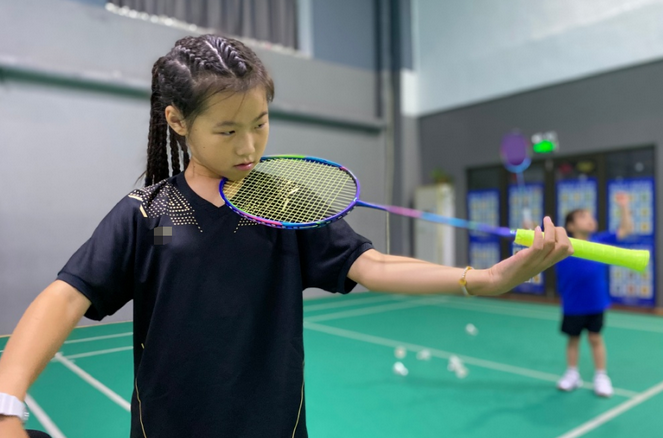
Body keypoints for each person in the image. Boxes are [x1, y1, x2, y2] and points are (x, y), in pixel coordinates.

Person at [0, 34, 573, 438]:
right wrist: (7, 406)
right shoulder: (147, 213)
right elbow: (66, 295)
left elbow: (372, 264)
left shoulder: (284, 201)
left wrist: (484, 279)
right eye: (227, 130)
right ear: (177, 121)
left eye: (260, 124)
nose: (249, 147)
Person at [555, 193, 633, 397]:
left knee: (595, 338)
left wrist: (624, 206)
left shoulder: (600, 241)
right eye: (582, 216)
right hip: (572, 304)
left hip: (596, 303)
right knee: (573, 340)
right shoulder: (563, 247)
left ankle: (601, 376)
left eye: (591, 216)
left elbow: (625, 230)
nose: (590, 219)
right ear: (570, 226)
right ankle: (572, 374)